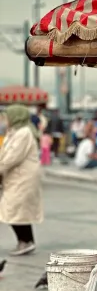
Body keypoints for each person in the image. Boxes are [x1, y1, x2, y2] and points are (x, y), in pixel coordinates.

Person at [0, 105, 42, 256]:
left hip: (22, 177)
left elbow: (12, 157)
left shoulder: (24, 133)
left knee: (15, 208)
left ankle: (26, 241)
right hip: (15, 177)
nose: (5, 121)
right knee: (17, 209)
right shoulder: (15, 132)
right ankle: (25, 241)